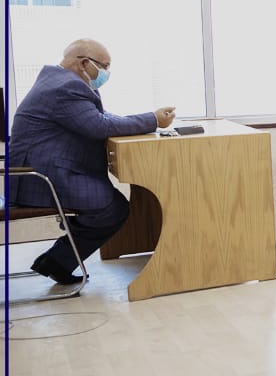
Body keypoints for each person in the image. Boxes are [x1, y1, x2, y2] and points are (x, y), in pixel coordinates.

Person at [7, 38, 175, 285]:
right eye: (104, 66)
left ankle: (58, 260)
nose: (106, 73)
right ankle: (57, 261)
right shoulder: (66, 87)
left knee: (113, 205)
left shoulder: (60, 81)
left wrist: (147, 119)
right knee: (111, 208)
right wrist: (153, 120)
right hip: (40, 178)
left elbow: (100, 118)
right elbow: (98, 126)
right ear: (84, 62)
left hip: (43, 169)